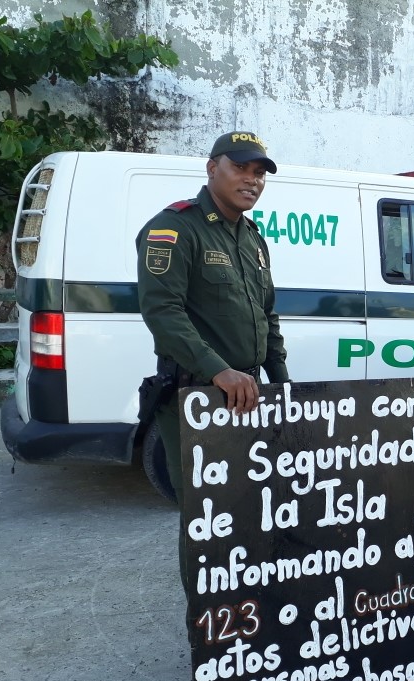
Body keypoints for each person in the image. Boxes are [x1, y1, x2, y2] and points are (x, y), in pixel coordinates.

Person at [136, 131, 289, 592]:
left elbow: (267, 315)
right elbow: (163, 312)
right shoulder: (175, 228)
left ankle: (251, 608)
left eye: (259, 173)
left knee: (250, 507)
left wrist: (282, 381)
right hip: (196, 395)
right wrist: (218, 370)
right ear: (211, 169)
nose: (252, 180)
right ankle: (210, 624)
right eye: (240, 168)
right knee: (207, 516)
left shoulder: (252, 238)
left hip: (251, 395)